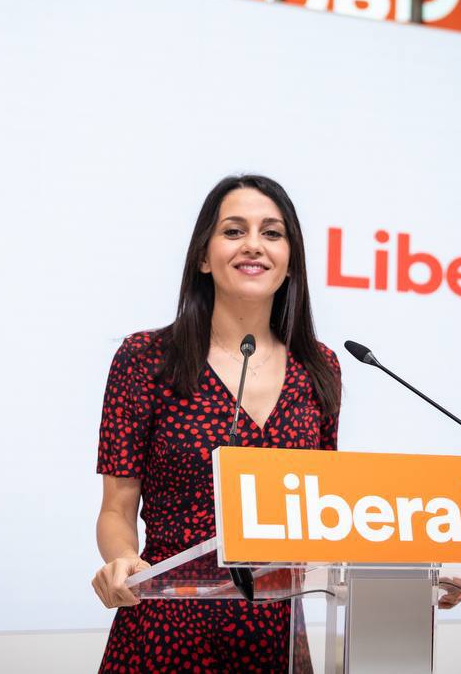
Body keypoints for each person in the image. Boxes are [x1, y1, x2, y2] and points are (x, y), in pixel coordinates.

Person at [91, 174, 341, 672]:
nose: (254, 245)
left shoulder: (319, 368)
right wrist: (124, 561)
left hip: (276, 637)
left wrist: (436, 573)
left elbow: (322, 509)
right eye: (233, 231)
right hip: (166, 627)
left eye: (272, 233)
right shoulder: (147, 358)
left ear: (291, 261)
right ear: (203, 257)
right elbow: (117, 509)